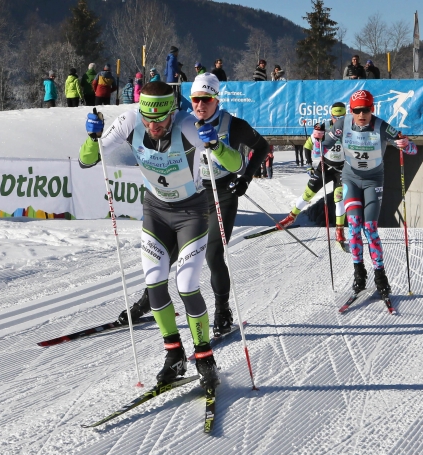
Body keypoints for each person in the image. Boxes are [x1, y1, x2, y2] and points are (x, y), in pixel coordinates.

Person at [78, 81, 245, 389]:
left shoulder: (189, 126)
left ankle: (204, 356)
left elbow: (237, 165)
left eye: (159, 119)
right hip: (156, 211)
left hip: (192, 213)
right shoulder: (130, 122)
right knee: (154, 285)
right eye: (147, 118)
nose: (152, 125)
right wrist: (92, 137)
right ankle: (174, 354)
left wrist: (218, 146)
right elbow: (87, 160)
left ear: (173, 111)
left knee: (186, 284)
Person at [118, 73, 270, 338]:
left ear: (216, 100)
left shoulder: (233, 125)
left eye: (207, 99)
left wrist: (245, 179)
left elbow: (263, 146)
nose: (201, 105)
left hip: (220, 194)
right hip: (186, 198)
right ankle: (146, 302)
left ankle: (223, 311)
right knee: (168, 254)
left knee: (212, 255)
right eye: (197, 99)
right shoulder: (181, 120)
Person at [321, 90, 418, 299]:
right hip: (351, 179)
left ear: (372, 109)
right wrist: (316, 142)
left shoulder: (382, 126)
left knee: (370, 227)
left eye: (366, 109)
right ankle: (359, 273)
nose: (361, 114)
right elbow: (320, 148)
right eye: (357, 110)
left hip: (374, 181)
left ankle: (380, 276)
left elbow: (412, 150)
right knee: (354, 226)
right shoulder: (342, 125)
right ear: (351, 110)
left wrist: (405, 144)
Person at [277, 102, 348, 244]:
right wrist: (309, 165)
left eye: (342, 117)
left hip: (342, 169)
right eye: (336, 117)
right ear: (331, 115)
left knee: (339, 200)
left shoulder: (350, 128)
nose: (338, 120)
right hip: (325, 166)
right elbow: (307, 146)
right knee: (308, 193)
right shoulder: (323, 127)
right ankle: (291, 217)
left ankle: (339, 230)